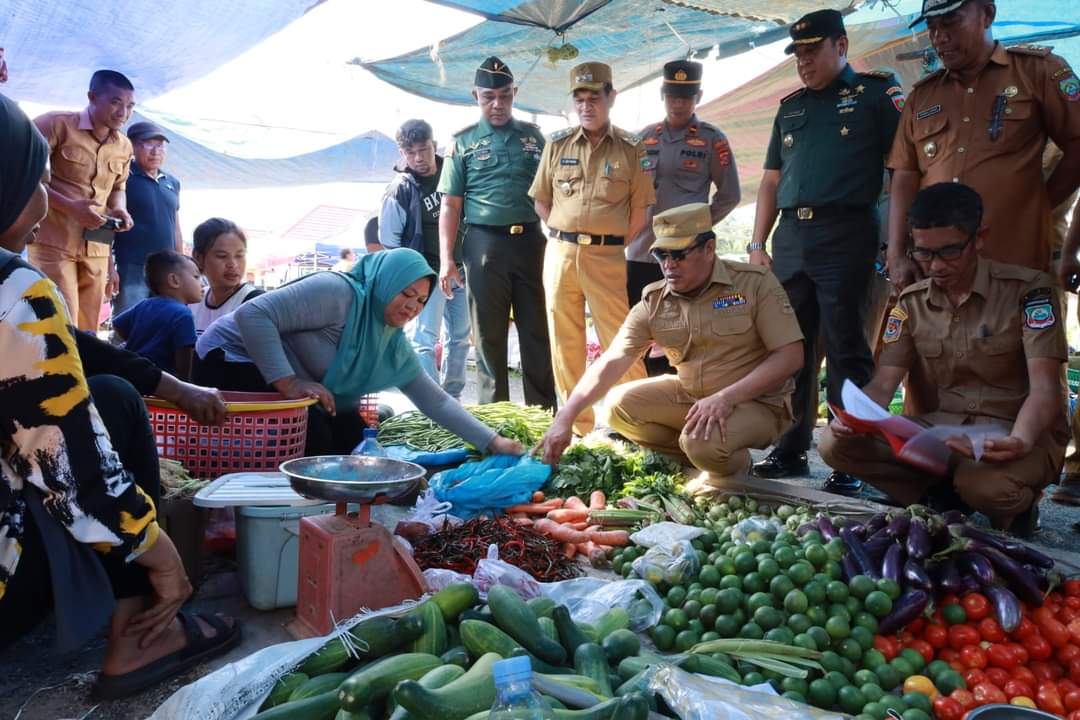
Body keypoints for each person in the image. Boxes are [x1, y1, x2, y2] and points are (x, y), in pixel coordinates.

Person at [0, 92, 238, 699]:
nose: (45, 202)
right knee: (111, 401)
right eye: (41, 180)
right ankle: (142, 633)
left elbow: (75, 345)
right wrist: (160, 556)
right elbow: (74, 463)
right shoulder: (13, 290)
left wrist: (175, 386)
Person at [820, 183, 1067, 536]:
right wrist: (856, 416)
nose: (935, 266)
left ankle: (1018, 504)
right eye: (923, 253)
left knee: (987, 487)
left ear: (978, 238)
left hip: (1014, 430)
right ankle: (939, 497)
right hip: (943, 433)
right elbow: (884, 382)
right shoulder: (912, 303)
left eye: (949, 252)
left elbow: (1045, 390)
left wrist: (1021, 440)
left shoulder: (1030, 292)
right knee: (834, 443)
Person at [534, 203, 803, 492]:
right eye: (661, 254)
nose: (668, 264)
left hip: (757, 402)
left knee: (701, 442)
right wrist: (566, 416)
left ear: (709, 248)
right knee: (617, 407)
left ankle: (731, 465)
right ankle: (705, 457)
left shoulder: (754, 284)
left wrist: (726, 397)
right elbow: (614, 359)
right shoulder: (655, 300)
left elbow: (790, 356)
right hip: (694, 397)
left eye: (679, 254)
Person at [745, 10, 905, 495]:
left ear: (841, 45)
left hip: (848, 234)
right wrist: (756, 243)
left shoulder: (877, 96)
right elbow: (771, 180)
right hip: (791, 239)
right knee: (790, 347)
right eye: (798, 53)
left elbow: (902, 172)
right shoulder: (790, 107)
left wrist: (896, 242)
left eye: (813, 50)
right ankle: (790, 448)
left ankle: (849, 456)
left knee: (847, 348)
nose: (804, 61)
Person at [194, 247, 525, 457]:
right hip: (229, 357)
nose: (412, 306)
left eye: (421, 301)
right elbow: (252, 315)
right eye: (406, 293)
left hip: (275, 376)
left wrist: (493, 443)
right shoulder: (337, 293)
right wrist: (289, 383)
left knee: (353, 435)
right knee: (314, 431)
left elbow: (435, 400)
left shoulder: (390, 339)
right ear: (385, 281)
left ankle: (333, 513)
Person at [886, 0, 1080, 287]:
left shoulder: (1037, 71)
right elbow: (905, 175)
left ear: (987, 15)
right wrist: (897, 252)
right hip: (938, 272)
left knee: (1020, 331)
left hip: (1014, 262)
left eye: (950, 22)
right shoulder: (922, 97)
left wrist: (1039, 203)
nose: (939, 37)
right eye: (932, 27)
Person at [530, 61, 654, 435]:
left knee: (621, 339)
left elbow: (640, 212)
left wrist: (610, 242)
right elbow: (542, 201)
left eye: (594, 98)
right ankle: (577, 426)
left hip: (607, 256)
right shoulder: (556, 143)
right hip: (560, 254)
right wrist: (562, 234)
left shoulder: (632, 148)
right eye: (579, 98)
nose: (586, 105)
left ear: (611, 98)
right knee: (564, 339)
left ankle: (633, 424)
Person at [438, 57, 556, 409]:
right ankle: (496, 419)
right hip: (483, 245)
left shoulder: (534, 138)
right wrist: (447, 259)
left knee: (537, 330)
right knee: (488, 336)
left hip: (532, 242)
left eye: (505, 95)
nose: (497, 104)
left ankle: (543, 414)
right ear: (475, 95)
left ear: (514, 93)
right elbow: (450, 205)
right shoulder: (462, 142)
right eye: (489, 96)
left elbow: (554, 193)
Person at [629, 60, 741, 376]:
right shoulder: (644, 138)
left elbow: (729, 195)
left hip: (685, 257)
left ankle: (681, 407)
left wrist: (696, 232)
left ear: (698, 97)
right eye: (672, 95)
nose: (678, 103)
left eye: (686, 96)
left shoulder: (711, 139)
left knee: (684, 337)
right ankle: (640, 408)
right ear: (663, 96)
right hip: (641, 253)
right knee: (641, 336)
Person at [28, 69, 137, 331]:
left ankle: (86, 373)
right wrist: (70, 207)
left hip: (98, 245)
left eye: (130, 106)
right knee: (60, 322)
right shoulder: (55, 124)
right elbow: (26, 177)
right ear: (92, 96)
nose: (123, 112)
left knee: (90, 327)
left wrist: (120, 209)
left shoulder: (124, 146)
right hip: (53, 242)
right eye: (115, 102)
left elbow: (118, 186)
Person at [379, 119, 470, 400]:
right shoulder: (399, 189)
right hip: (426, 278)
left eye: (423, 149)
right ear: (402, 153)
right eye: (411, 152)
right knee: (424, 340)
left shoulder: (452, 172)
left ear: (434, 145)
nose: (419, 158)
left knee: (460, 337)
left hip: (460, 270)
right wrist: (413, 277)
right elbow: (389, 241)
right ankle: (433, 403)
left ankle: (453, 396)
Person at [113, 121, 182, 315]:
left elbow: (175, 226)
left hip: (167, 268)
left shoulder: (172, 182)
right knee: (130, 323)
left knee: (166, 320)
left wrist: (182, 262)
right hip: (132, 267)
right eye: (148, 144)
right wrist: (110, 268)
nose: (156, 151)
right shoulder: (122, 178)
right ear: (132, 146)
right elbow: (107, 224)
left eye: (160, 145)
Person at [113, 250, 202, 378]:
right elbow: (185, 353)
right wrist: (185, 383)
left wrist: (136, 341)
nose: (202, 284)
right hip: (161, 381)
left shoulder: (144, 304)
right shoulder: (183, 314)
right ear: (174, 280)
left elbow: (118, 325)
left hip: (131, 371)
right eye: (196, 277)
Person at [189, 217, 263, 335]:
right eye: (222, 256)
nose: (233, 265)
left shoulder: (255, 302)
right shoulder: (193, 301)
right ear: (198, 257)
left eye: (239, 256)